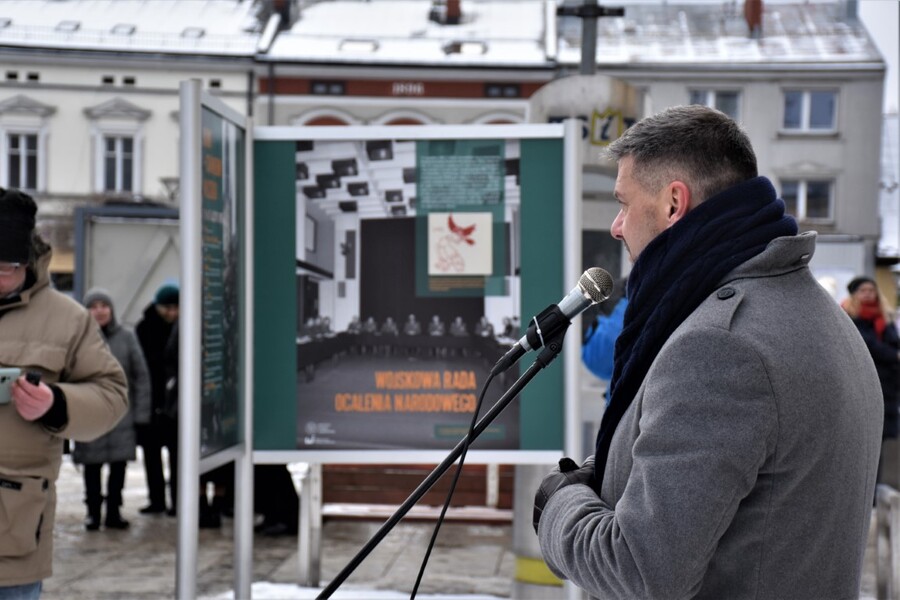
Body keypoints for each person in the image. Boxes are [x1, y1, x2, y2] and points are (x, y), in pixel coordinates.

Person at [533, 105, 883, 599]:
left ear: (674, 203)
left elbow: (639, 568)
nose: (616, 226)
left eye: (624, 203)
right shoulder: (820, 315)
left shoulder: (720, 347)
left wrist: (558, 505)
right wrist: (611, 471)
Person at [0, 188, 128, 597]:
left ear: (28, 259)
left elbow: (112, 393)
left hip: (11, 529)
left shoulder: (67, 318)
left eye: (7, 266)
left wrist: (57, 404)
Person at [74, 289, 152, 531]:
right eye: (93, 306)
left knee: (118, 466)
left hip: (122, 415)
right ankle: (93, 512)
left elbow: (141, 377)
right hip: (90, 413)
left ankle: (114, 512)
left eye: (104, 305)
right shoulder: (78, 338)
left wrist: (141, 414)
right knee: (91, 466)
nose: (99, 311)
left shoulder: (127, 338)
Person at [841, 276, 900, 488]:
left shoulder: (884, 320)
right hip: (859, 389)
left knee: (878, 446)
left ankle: (873, 499)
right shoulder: (847, 318)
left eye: (871, 290)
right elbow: (870, 347)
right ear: (854, 294)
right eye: (863, 290)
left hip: (886, 391)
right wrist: (892, 356)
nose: (868, 294)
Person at [135, 282, 179, 516]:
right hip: (152, 401)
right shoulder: (145, 328)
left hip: (174, 402)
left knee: (177, 455)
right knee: (152, 456)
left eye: (176, 308)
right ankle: (157, 499)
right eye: (167, 308)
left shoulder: (183, 327)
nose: (172, 313)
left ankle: (178, 501)